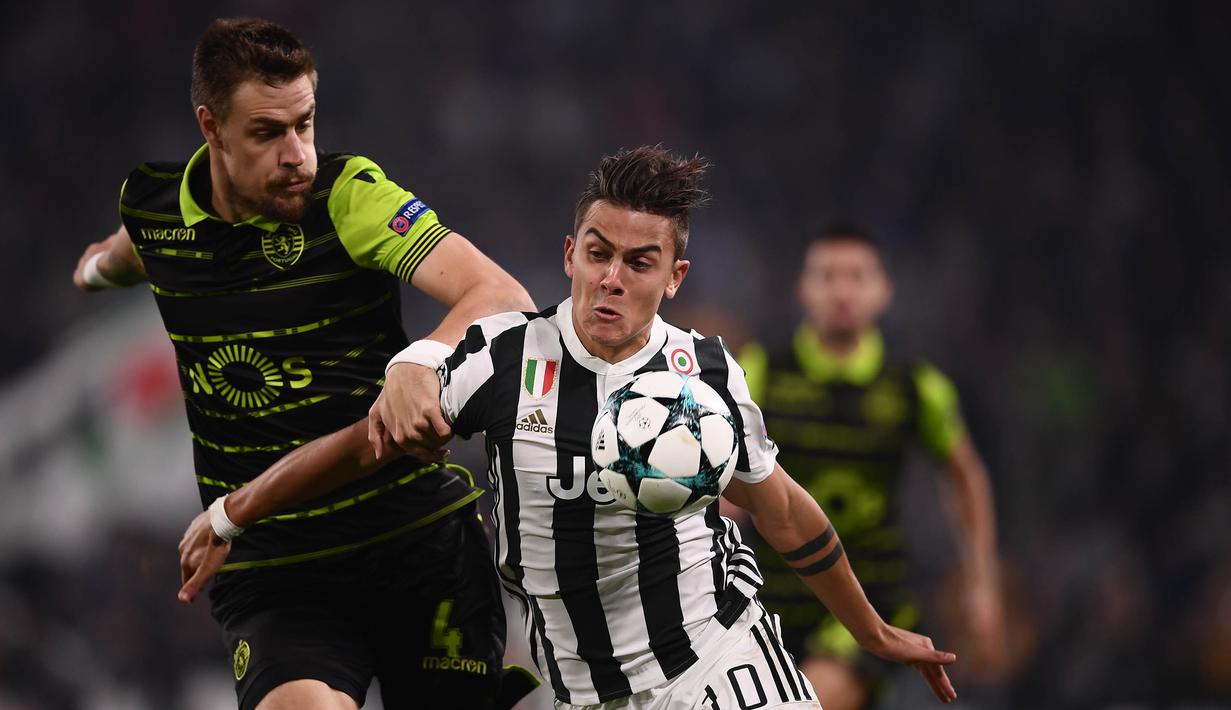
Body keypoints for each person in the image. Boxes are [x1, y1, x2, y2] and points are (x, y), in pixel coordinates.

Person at [178, 146, 959, 709]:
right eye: (597, 253)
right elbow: (362, 447)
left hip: (717, 660)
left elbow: (781, 508)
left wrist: (870, 631)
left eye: (639, 262)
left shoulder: (708, 373)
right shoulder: (501, 359)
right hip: (586, 690)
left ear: (674, 277)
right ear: (569, 254)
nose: (611, 278)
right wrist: (231, 512)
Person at [71, 17, 536, 710]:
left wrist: (420, 358)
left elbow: (501, 295)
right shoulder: (155, 210)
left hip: (416, 541)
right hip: (276, 568)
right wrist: (94, 272)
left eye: (305, 124)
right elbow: (123, 252)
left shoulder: (349, 196)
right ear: (211, 128)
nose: (297, 155)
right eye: (267, 133)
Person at [736, 223, 1005, 709]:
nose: (842, 291)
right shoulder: (760, 371)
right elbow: (722, 475)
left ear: (884, 291)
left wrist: (981, 584)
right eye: (827, 276)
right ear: (802, 288)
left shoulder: (914, 386)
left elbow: (966, 476)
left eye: (857, 277)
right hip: (768, 599)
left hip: (871, 599)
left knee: (803, 702)